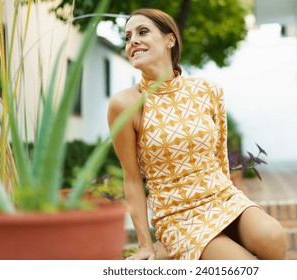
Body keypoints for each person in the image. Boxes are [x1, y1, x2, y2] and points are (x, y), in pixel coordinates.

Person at [107, 8, 287, 260]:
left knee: (273, 236)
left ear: (170, 40)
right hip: (178, 215)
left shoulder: (207, 91)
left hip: (223, 198)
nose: (132, 40)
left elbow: (220, 157)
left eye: (142, 32)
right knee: (242, 266)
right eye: (127, 37)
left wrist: (232, 204)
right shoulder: (125, 104)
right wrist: (145, 245)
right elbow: (132, 179)